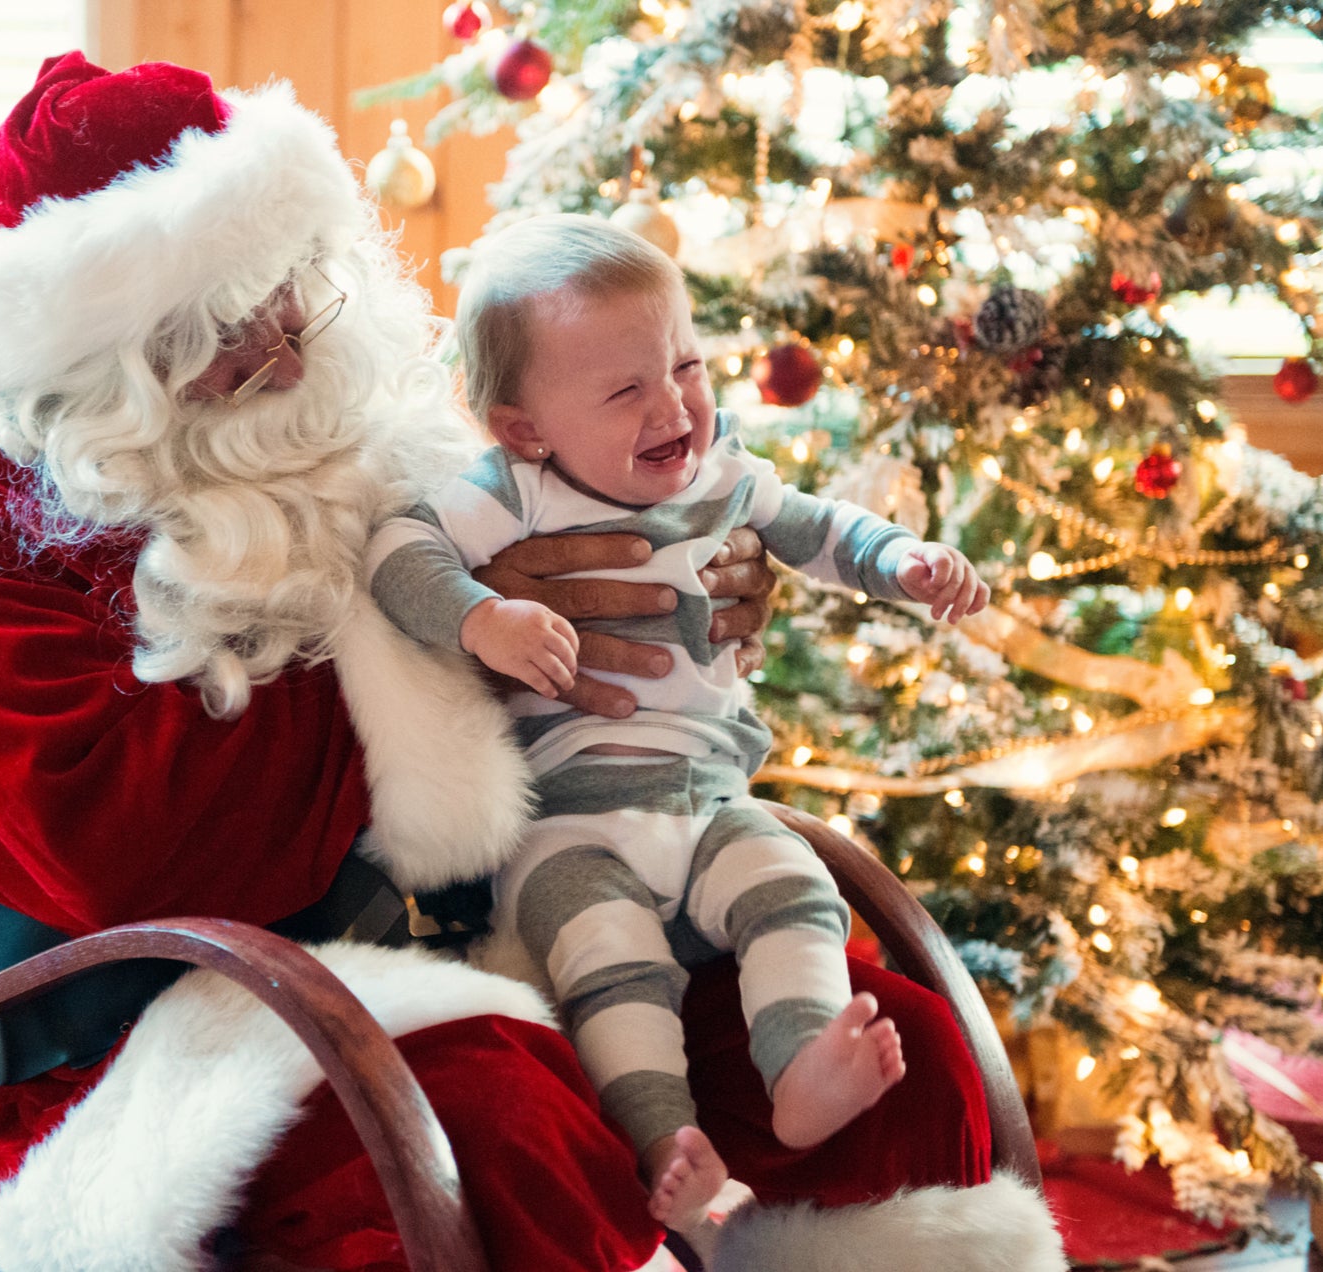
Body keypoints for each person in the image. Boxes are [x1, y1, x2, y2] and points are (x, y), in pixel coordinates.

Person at [0, 52, 1064, 1271]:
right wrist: (432, 640)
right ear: (95, 360)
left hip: (521, 923)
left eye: (293, 285)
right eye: (220, 330)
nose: (292, 351)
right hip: (182, 1031)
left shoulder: (349, 417)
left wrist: (680, 596)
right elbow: (118, 849)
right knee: (499, 1129)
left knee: (894, 1055)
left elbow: (587, 606)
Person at [366, 214, 990, 1234]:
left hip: (709, 802)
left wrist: (904, 563)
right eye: (626, 390)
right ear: (525, 428)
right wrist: (482, 616)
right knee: (607, 957)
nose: (676, 408)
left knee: (793, 889)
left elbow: (825, 531)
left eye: (687, 367)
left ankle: (799, 1073)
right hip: (568, 820)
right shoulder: (508, 495)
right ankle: (667, 1142)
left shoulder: (721, 478)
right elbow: (399, 555)